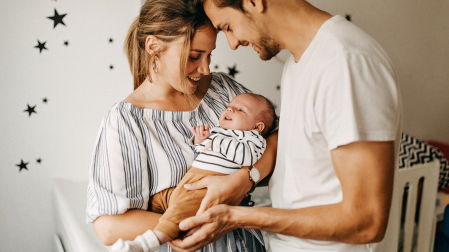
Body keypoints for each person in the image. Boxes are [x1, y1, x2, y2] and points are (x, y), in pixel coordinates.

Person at [168, 0, 403, 252]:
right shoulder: (299, 62)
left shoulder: (346, 63)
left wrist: (235, 217)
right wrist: (245, 178)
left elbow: (366, 222)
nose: (233, 43)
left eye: (228, 27)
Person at [85, 0, 278, 251]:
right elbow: (109, 227)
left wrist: (245, 179)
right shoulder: (127, 122)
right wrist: (209, 223)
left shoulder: (223, 90)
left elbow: (278, 137)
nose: (206, 68)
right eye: (194, 56)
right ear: (154, 47)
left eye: (210, 55)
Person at [110, 93, 277, 251]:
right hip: (190, 182)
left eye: (241, 110)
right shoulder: (219, 131)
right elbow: (202, 150)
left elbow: (245, 157)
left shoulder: (253, 139)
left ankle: (147, 243)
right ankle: (159, 222)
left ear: (257, 127)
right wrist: (200, 140)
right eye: (229, 106)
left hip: (208, 187)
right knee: (157, 199)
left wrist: (215, 141)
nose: (230, 109)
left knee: (179, 213)